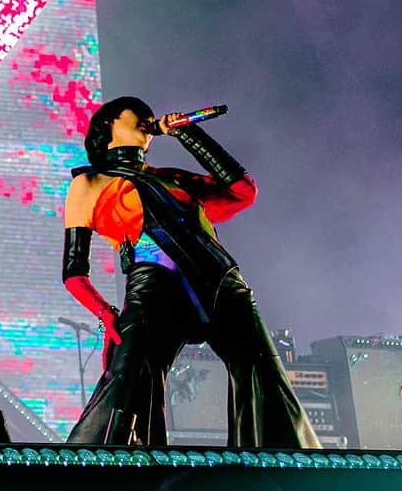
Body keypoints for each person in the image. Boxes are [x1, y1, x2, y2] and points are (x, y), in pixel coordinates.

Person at [61, 96, 319, 448]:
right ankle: (106, 477)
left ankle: (279, 474)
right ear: (109, 123)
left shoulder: (172, 178)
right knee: (130, 383)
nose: (148, 117)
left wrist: (188, 133)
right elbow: (74, 272)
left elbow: (242, 191)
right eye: (137, 110)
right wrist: (107, 316)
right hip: (154, 284)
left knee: (262, 374)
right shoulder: (89, 183)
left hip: (223, 282)